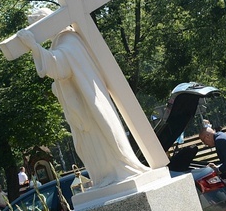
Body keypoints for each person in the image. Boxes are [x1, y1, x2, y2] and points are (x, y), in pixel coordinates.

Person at [17, 15, 150, 189]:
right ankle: (104, 177)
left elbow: (60, 67)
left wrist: (34, 47)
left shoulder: (69, 38)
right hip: (81, 108)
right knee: (90, 145)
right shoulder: (60, 41)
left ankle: (115, 173)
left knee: (100, 139)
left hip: (89, 106)